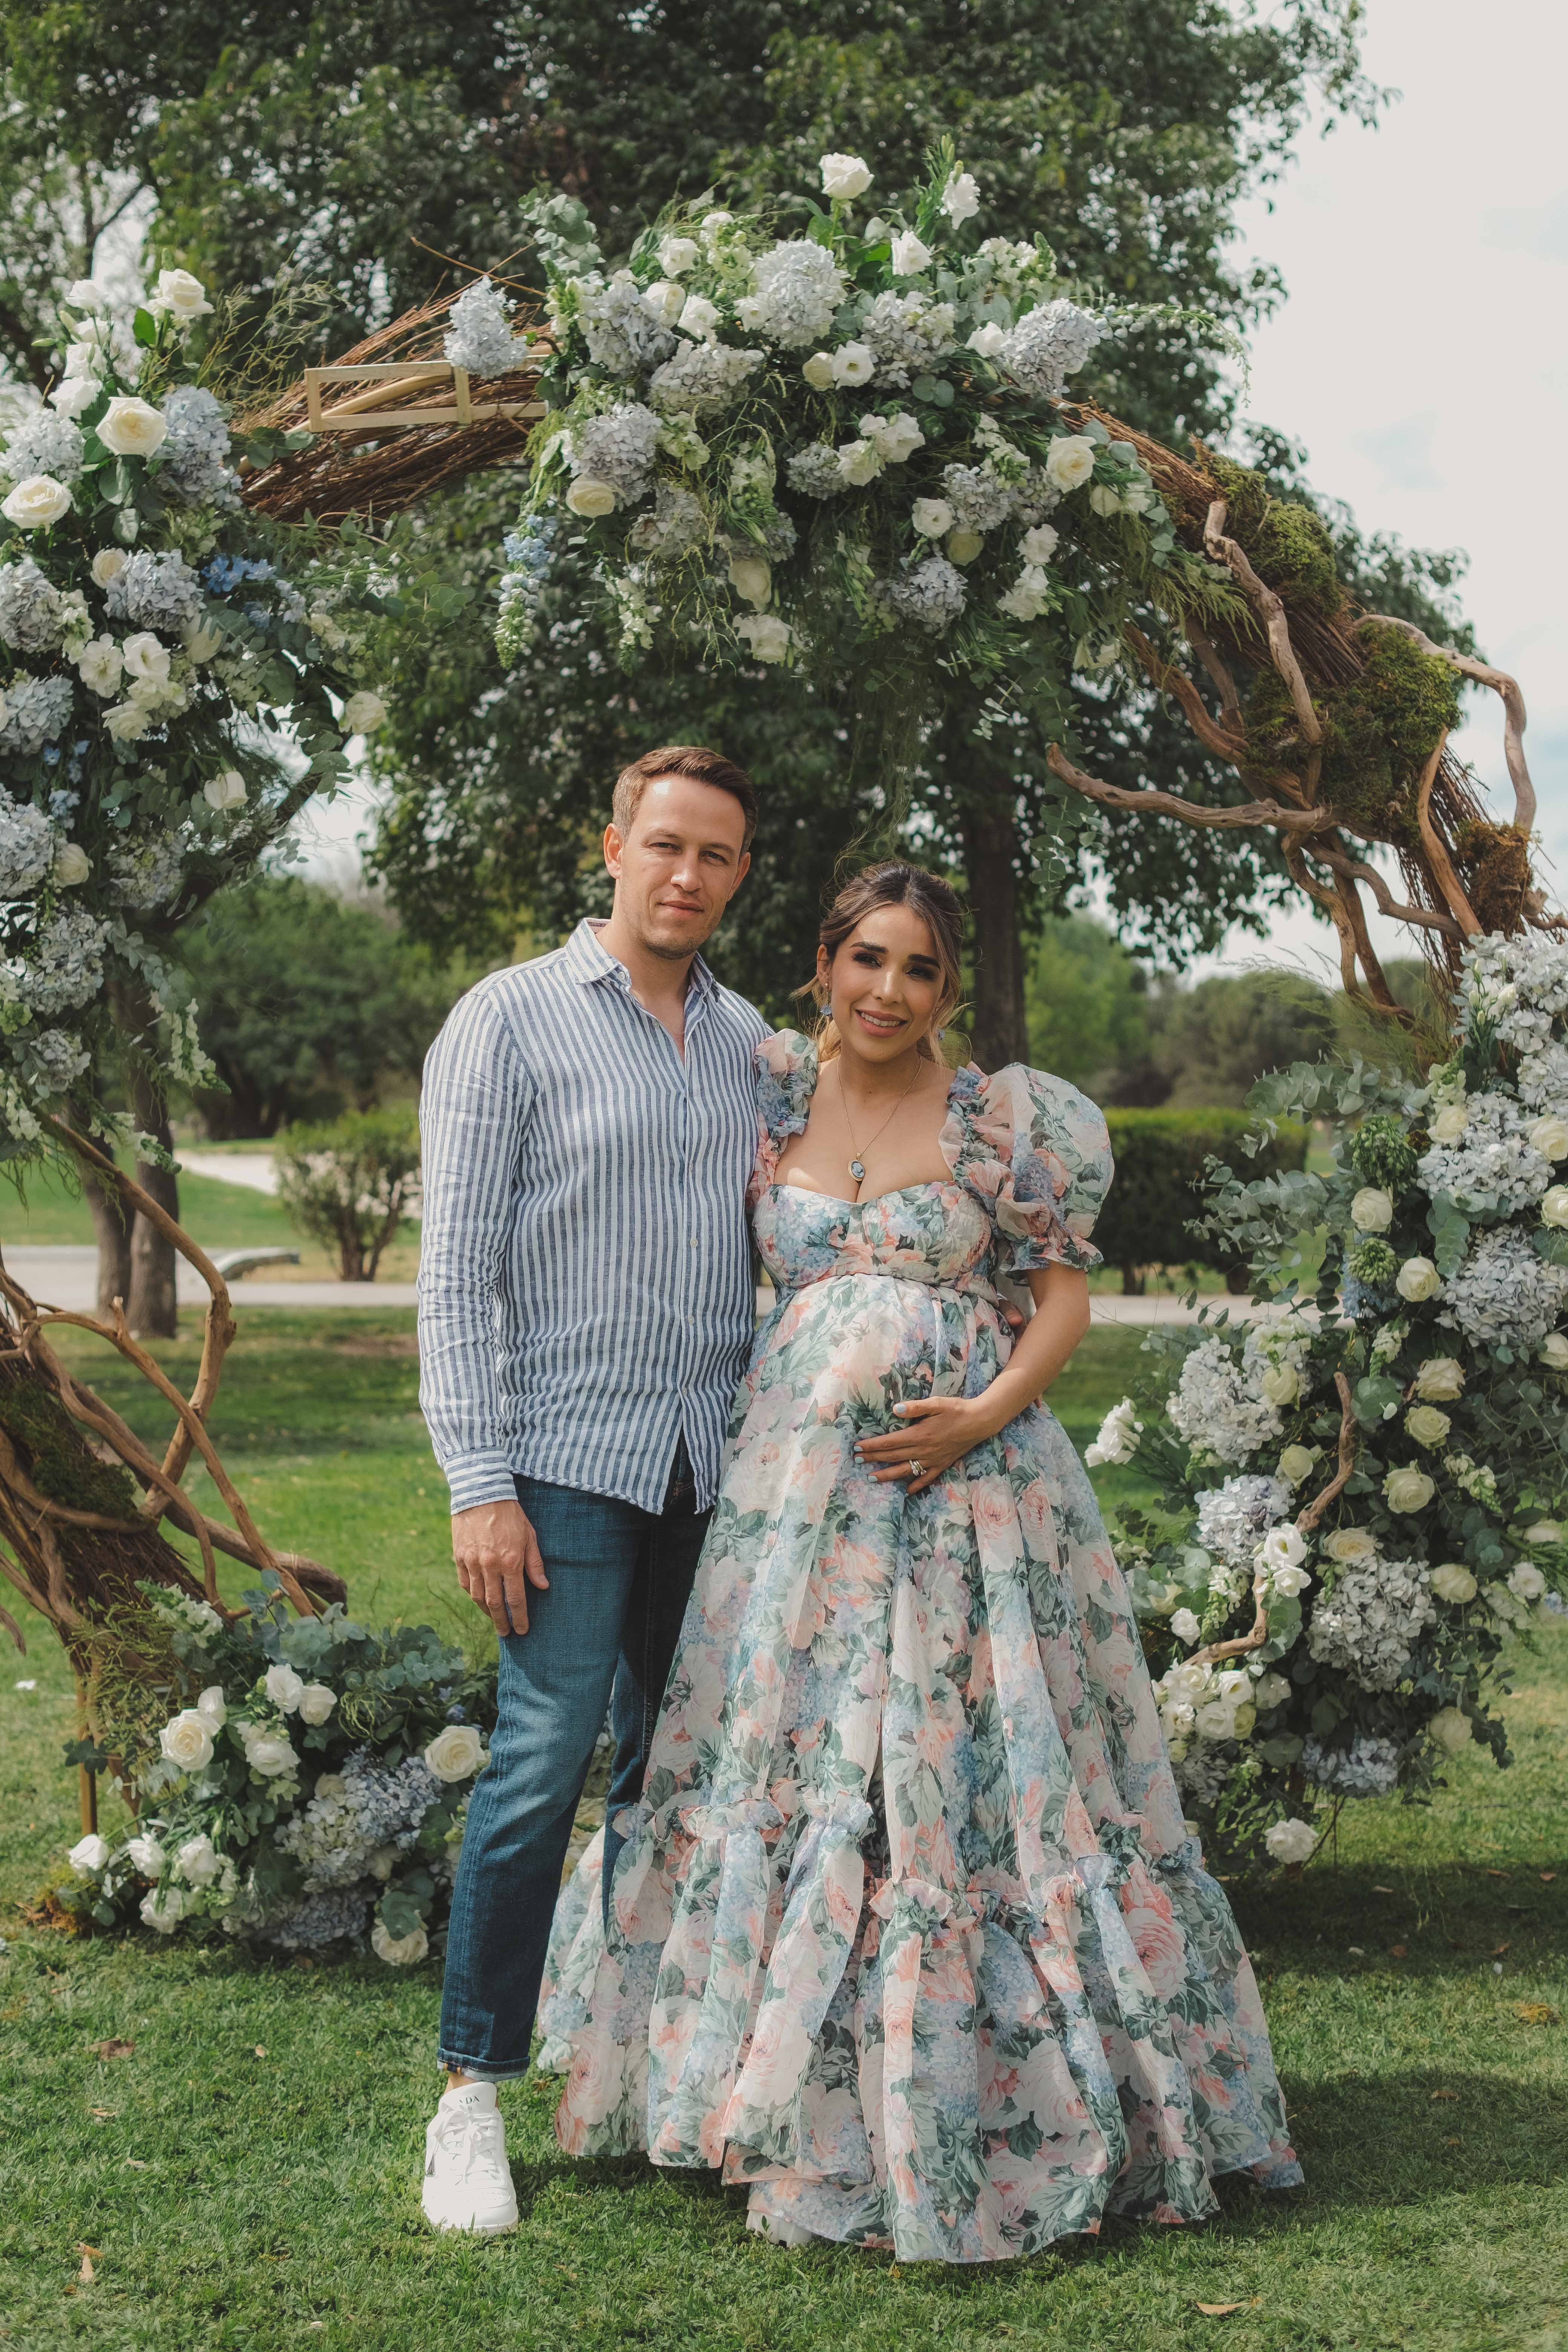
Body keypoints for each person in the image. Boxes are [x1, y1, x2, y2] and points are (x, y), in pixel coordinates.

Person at [535, 859, 1302, 2262]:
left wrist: (980, 1417)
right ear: (826, 965)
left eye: (921, 969)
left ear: (951, 987)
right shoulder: (771, 1092)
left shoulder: (1003, 1119)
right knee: (800, 1768)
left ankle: (996, 2089)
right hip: (791, 1513)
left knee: (963, 1783)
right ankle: (764, 2088)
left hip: (973, 1501)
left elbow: (1065, 1299)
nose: (891, 991)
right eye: (867, 960)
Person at [414, 744, 769, 2233]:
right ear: (611, 845)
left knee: (672, 1775)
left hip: (718, 1463)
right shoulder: (506, 1022)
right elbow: (452, 1276)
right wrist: (474, 1482)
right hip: (561, 1463)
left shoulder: (755, 1042)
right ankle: (470, 2098)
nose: (686, 876)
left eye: (717, 859)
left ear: (737, 881)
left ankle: (635, 2064)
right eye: (665, 845)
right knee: (542, 1764)